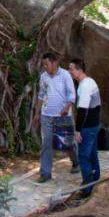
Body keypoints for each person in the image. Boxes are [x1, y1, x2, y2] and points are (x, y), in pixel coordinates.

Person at [32, 51, 78, 184]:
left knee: (67, 143)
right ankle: (45, 173)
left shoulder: (65, 75)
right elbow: (41, 95)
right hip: (46, 116)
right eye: (43, 65)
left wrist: (66, 108)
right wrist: (36, 114)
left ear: (54, 63)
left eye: (46, 64)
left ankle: (76, 162)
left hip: (63, 116)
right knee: (46, 143)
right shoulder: (43, 77)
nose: (44, 67)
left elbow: (72, 95)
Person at [68, 57, 102, 199]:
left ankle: (87, 187)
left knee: (83, 156)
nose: (69, 72)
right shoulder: (88, 82)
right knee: (92, 153)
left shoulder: (85, 85)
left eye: (71, 69)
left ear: (79, 70)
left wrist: (78, 130)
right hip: (93, 124)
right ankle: (95, 178)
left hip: (88, 127)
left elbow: (82, 110)